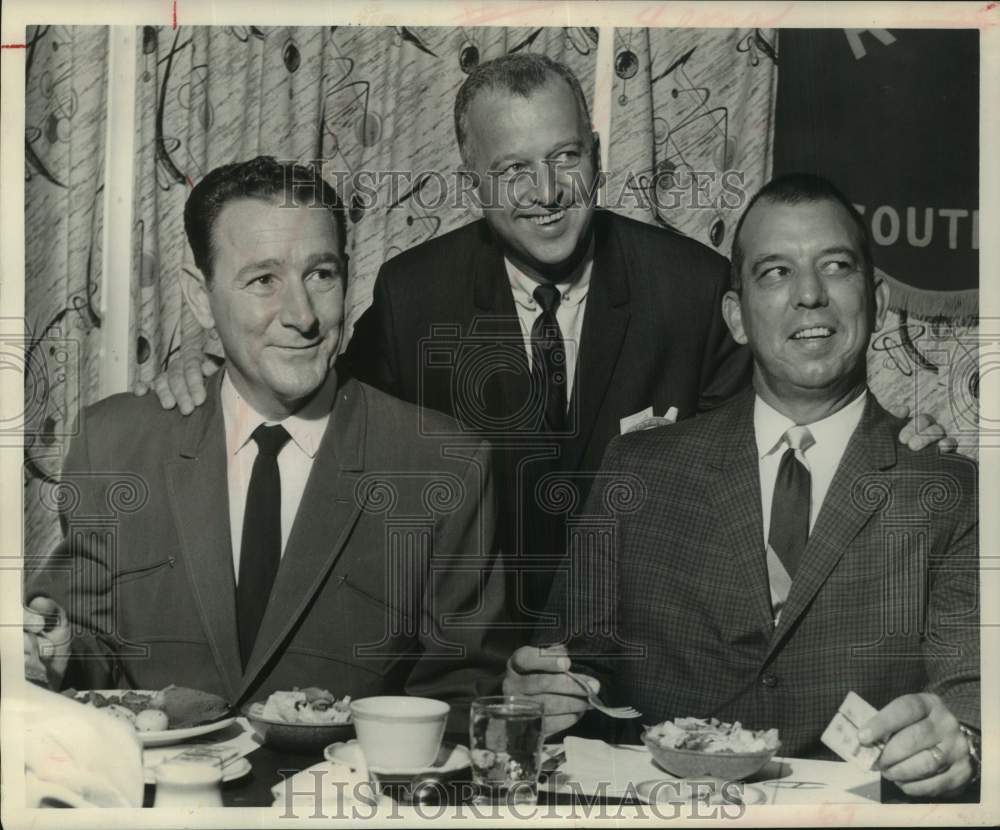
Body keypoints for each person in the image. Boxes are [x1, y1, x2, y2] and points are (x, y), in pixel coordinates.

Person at [143, 55, 949, 625]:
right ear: (473, 179)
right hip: (462, 659)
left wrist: (900, 440)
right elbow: (323, 408)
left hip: (652, 650)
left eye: (567, 157)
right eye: (515, 170)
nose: (549, 193)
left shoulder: (691, 286)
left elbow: (780, 445)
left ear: (596, 157)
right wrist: (210, 375)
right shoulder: (415, 292)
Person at [504, 174, 980, 799]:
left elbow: (969, 695)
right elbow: (574, 666)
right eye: (775, 272)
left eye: (835, 265)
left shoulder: (949, 490)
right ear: (736, 317)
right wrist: (538, 691)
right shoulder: (638, 471)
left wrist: (966, 739)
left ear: (879, 299)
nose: (809, 294)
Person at [24, 157, 507, 722]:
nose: (302, 315)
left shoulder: (443, 465)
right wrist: (57, 657)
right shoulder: (114, 443)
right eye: (263, 281)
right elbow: (92, 655)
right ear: (200, 297)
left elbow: (465, 694)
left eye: (321, 274)